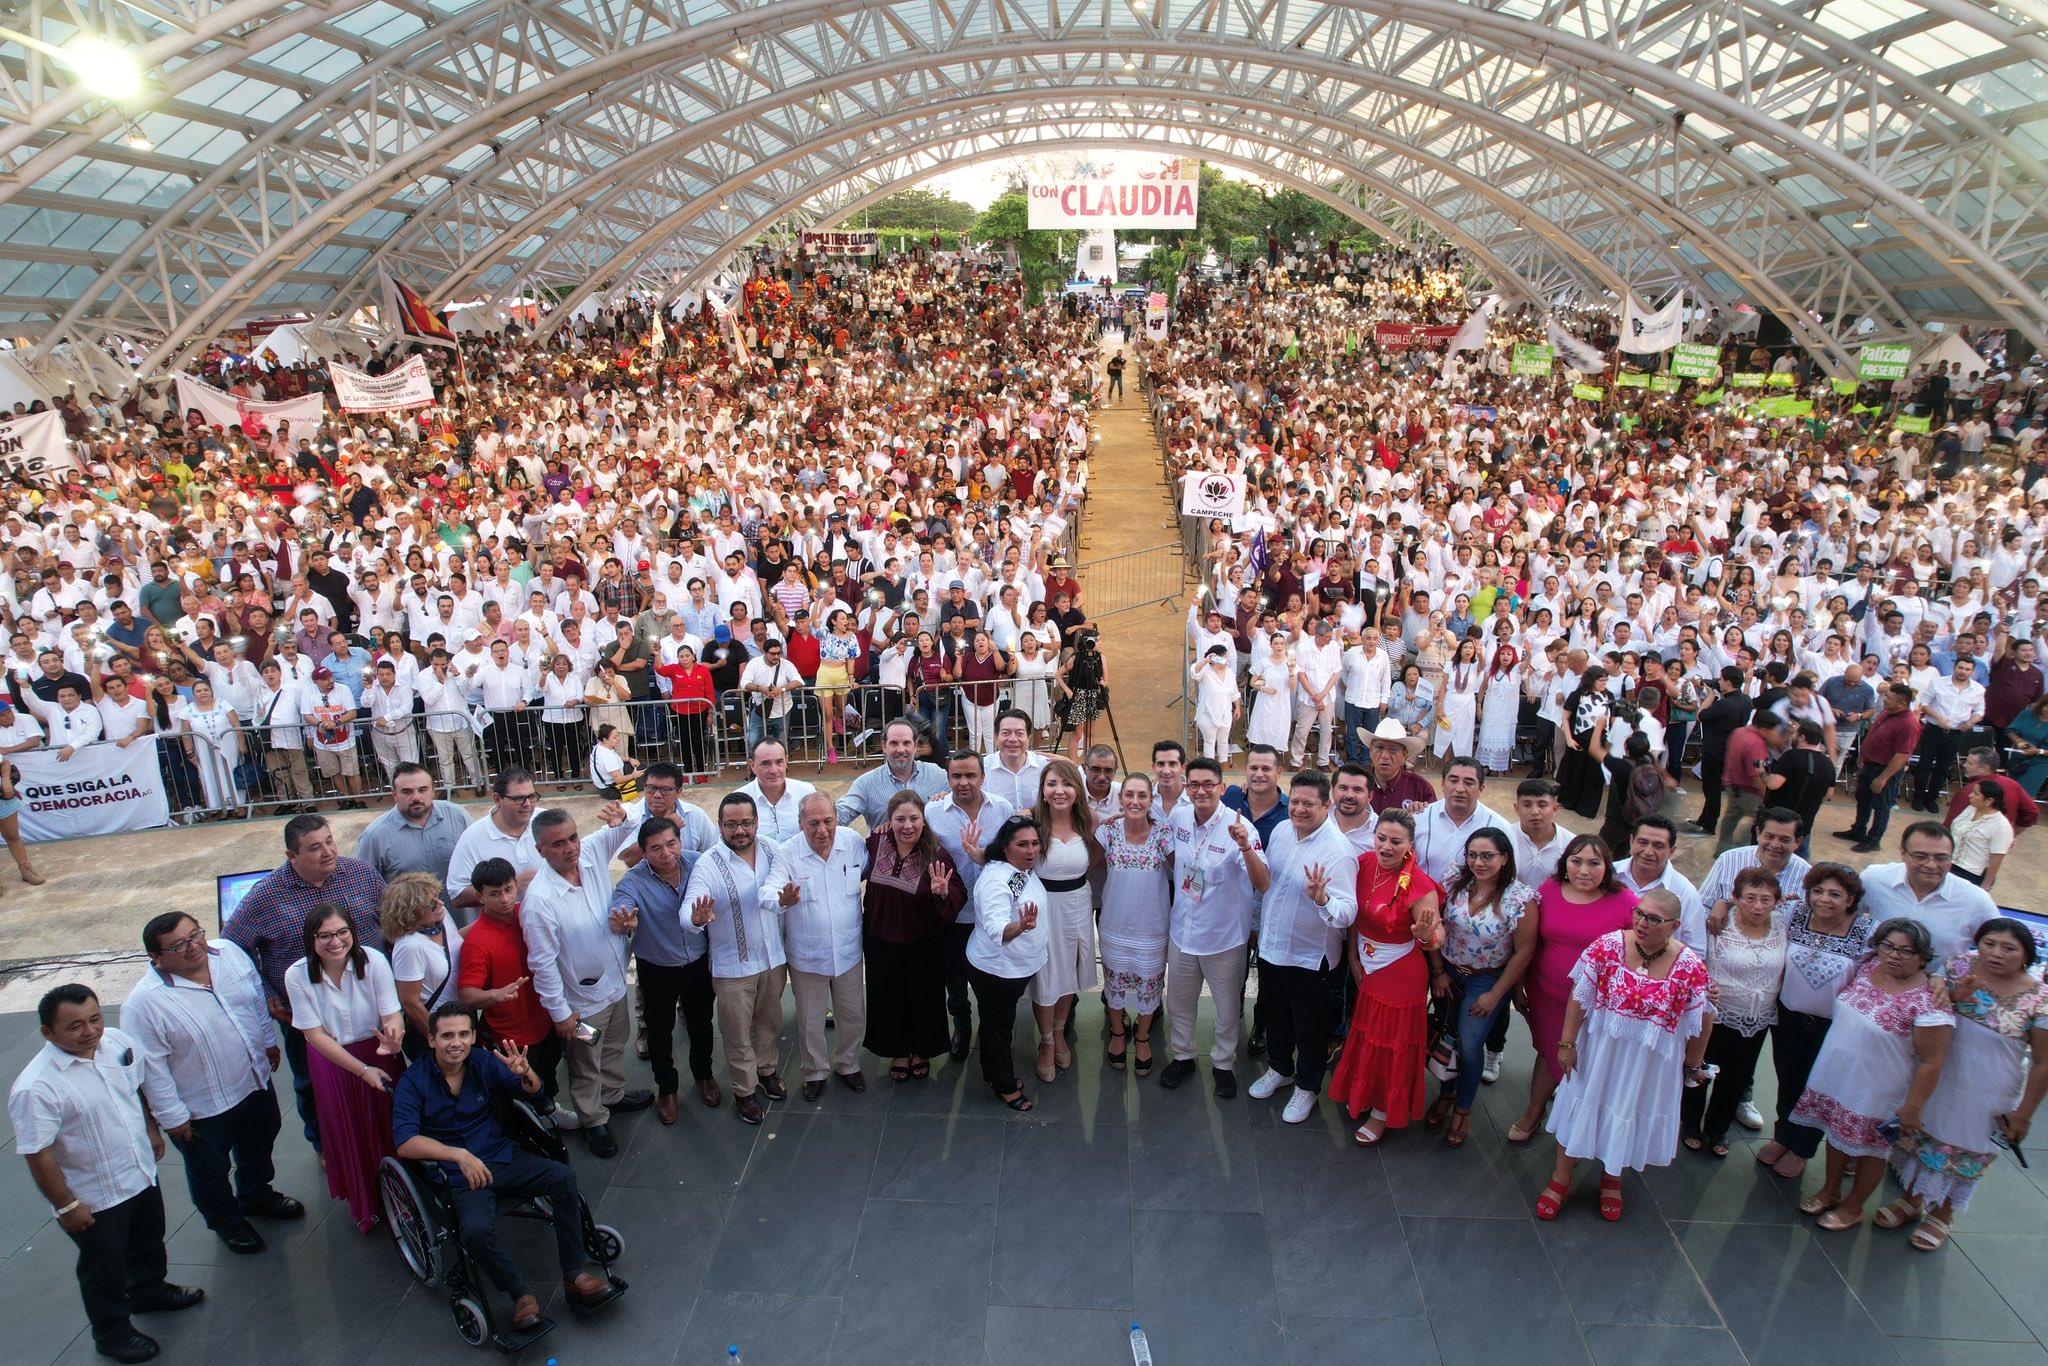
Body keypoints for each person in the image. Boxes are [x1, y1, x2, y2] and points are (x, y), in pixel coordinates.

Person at [392, 1004, 621, 1334]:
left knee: (563, 1178)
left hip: (502, 1156)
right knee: (474, 1232)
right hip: (459, 1176)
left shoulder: (484, 1062)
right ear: (431, 1040)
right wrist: (456, 1155)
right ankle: (520, 1295)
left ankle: (574, 1274)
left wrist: (525, 1072)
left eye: (462, 1034)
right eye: (446, 1036)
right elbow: (405, 1142)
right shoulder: (413, 1082)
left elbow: (534, 1092)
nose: (455, 1042)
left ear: (472, 1036)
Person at [11, 984, 205, 1365]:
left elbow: (132, 1092)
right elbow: (38, 1153)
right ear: (48, 1033)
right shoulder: (36, 1088)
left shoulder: (116, 1043)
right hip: (94, 1196)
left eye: (95, 1018)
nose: (90, 1031)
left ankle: (150, 1291)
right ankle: (112, 1333)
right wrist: (67, 1206)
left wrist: (149, 1128)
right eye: (75, 1026)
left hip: (138, 1174)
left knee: (148, 1241)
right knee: (104, 1269)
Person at [122, 914, 302, 1257]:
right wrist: (171, 1116)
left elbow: (253, 1003)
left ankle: (256, 1195)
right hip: (201, 1105)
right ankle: (227, 1222)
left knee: (260, 1140)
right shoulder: (144, 1003)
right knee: (210, 1169)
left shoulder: (229, 953)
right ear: (156, 958)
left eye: (196, 935)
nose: (194, 947)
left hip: (251, 1080)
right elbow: (151, 1067)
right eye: (179, 945)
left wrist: (267, 1042)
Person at [1534, 889, 1713, 1222]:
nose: (1642, 923)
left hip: (1648, 1063)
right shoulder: (1607, 946)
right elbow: (1579, 995)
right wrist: (1567, 1043)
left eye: (1654, 919)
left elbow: (1704, 1017)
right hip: (1601, 1050)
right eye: (1639, 914)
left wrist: (1693, 1065)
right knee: (1581, 1106)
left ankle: (1611, 1178)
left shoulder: (1690, 967)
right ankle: (1561, 1177)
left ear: (1674, 926)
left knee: (1628, 1111)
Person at [222, 814, 387, 1147]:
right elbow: (231, 948)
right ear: (291, 856)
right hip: (305, 1010)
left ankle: (385, 1131)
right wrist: (266, 991)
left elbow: (390, 921)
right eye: (314, 848)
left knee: (382, 1067)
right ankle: (325, 1144)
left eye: (329, 841)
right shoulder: (264, 897)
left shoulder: (361, 873)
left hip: (369, 1000)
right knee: (311, 1081)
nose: (327, 851)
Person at [1883, 919, 2048, 1252]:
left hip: (1989, 1091)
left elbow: (2044, 1063)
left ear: (2027, 955)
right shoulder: (1960, 965)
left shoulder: (2039, 998)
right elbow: (1932, 1001)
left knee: (1964, 1149)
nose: (1996, 954)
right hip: (1939, 1075)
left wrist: (2023, 1114)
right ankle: (1913, 1199)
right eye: (1989, 944)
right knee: (1921, 1137)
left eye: (2009, 948)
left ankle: (1942, 1214)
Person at [1790, 917, 1954, 1232]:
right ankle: (1831, 1189)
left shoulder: (1930, 1002)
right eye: (1888, 946)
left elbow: (1932, 1061)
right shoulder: (1867, 968)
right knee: (1837, 1136)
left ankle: (1853, 1207)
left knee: (1870, 1150)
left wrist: (1912, 1108)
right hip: (1837, 1077)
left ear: (1923, 956)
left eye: (1907, 951)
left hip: (1879, 1089)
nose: (1894, 955)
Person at [520, 804, 649, 1156]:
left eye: (573, 837)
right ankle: (593, 1120)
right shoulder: (539, 902)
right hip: (579, 1002)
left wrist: (620, 819)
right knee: (584, 1062)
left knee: (613, 1045)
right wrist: (560, 1013)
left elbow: (631, 826)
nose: (570, 848)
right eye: (558, 843)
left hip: (613, 983)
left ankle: (613, 1096)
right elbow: (542, 964)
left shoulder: (590, 851)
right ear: (540, 850)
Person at [1508, 835, 1641, 1144]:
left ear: (1606, 867)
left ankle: (1583, 1122)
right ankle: (1535, 1112)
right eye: (1576, 861)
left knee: (1591, 1061)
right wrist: (1518, 989)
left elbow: (1644, 947)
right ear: (1565, 864)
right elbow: (1528, 944)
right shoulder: (1549, 891)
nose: (1584, 870)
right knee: (1548, 1052)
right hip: (1547, 995)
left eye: (1594, 863)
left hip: (1597, 1005)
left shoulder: (1625, 901)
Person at [1248, 770, 1360, 1124]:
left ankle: (1307, 1086)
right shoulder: (1281, 831)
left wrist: (1323, 898)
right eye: (1294, 801)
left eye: (1308, 804)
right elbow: (1268, 885)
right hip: (1272, 948)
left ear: (1327, 806)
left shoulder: (1339, 851)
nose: (1298, 809)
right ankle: (1279, 1068)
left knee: (1310, 1027)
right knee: (1276, 1015)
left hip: (1310, 958)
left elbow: (1348, 912)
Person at [1325, 809, 1443, 1144]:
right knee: (1367, 1034)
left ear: (1409, 845)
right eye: (1381, 838)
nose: (1386, 847)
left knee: (1392, 1043)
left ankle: (1382, 1112)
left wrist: (1425, 936)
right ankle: (1365, 1095)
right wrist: (1351, 955)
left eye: (1396, 841)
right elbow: (1351, 912)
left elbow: (1437, 937)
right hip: (1367, 963)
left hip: (1401, 971)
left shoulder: (1418, 883)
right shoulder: (1362, 864)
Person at [285, 905, 404, 1233]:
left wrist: (394, 1037)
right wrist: (362, 1070)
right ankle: (367, 1202)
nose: (335, 942)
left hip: (377, 1050)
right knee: (349, 1128)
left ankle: (403, 1194)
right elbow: (314, 1036)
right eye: (324, 936)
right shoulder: (296, 975)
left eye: (342, 933)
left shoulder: (374, 960)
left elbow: (391, 1013)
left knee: (388, 1125)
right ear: (311, 939)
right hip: (333, 1062)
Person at [1753, 863, 1875, 1180]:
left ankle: (1803, 1149)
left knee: (1818, 1087)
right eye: (1817, 891)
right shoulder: (1794, 915)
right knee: (1789, 1080)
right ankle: (1782, 1136)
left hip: (1834, 1028)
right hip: (1789, 1018)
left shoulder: (1867, 931)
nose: (1824, 899)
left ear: (1850, 899)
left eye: (1835, 894)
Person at [1161, 756, 1270, 1097]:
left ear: (1222, 788)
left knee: (1226, 1010)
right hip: (1182, 933)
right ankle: (1183, 1056)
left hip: (1223, 938)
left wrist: (1244, 847)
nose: (1201, 791)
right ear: (1186, 787)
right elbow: (1169, 852)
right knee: (1179, 1003)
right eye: (1194, 784)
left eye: (1209, 784)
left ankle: (1223, 1064)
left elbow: (1263, 882)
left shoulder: (1242, 828)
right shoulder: (1178, 817)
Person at [1426, 827, 1538, 1147]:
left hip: (1486, 978)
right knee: (1448, 1035)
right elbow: (1432, 922)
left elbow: (1524, 952)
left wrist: (1495, 994)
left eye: (1487, 855)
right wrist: (1437, 972)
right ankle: (1447, 1093)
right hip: (1449, 971)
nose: (1478, 862)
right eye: (1472, 855)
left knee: (1471, 1043)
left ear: (1504, 858)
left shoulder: (1520, 898)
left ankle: (1463, 1108)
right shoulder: (1453, 881)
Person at [685, 793, 791, 1125]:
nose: (739, 831)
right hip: (734, 969)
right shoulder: (708, 863)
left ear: (756, 822)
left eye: (746, 823)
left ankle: (766, 1070)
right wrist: (697, 917)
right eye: (731, 824)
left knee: (769, 1022)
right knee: (737, 1032)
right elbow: (687, 914)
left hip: (773, 961)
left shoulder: (773, 849)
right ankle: (744, 1091)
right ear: (720, 826)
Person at [611, 815, 717, 1123]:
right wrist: (623, 921)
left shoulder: (699, 863)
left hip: (697, 962)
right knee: (660, 1031)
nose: (666, 853)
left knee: (701, 1023)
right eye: (655, 848)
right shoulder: (633, 881)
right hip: (657, 967)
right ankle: (667, 1088)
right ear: (643, 853)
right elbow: (619, 908)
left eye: (672, 843)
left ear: (680, 842)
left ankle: (704, 1075)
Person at [767, 794, 871, 1100]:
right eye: (813, 823)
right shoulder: (787, 853)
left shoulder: (852, 842)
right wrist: (780, 900)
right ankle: (814, 1072)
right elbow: (769, 889)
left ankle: (848, 1064)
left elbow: (868, 869)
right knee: (810, 1021)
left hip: (849, 952)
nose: (822, 830)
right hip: (807, 957)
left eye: (828, 821)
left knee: (852, 1015)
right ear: (800, 823)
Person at [453, 858, 572, 1124]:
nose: (505, 899)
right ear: (480, 896)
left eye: (508, 889)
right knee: (519, 1092)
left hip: (545, 1021)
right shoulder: (477, 941)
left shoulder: (529, 914)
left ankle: (551, 1115)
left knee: (548, 1074)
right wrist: (495, 995)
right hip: (510, 1036)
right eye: (494, 894)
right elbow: (467, 995)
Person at [1679, 868, 1788, 1158]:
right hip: (1716, 1013)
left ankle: (1718, 1128)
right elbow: (1698, 957)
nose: (1758, 906)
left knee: (1737, 1076)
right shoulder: (1718, 922)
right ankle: (1690, 1124)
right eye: (1750, 898)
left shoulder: (1781, 923)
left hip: (1757, 1017)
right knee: (1699, 1068)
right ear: (1736, 898)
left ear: (1776, 901)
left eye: (1766, 899)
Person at [858, 789, 965, 1082]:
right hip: (880, 939)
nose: (908, 826)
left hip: (923, 941)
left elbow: (958, 891)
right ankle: (897, 1050)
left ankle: (921, 1050)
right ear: (888, 821)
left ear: (924, 820)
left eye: (914, 818)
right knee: (888, 996)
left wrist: (944, 892)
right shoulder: (875, 844)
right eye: (900, 819)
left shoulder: (936, 854)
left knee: (923, 997)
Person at [965, 815, 1049, 1112]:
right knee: (1000, 1027)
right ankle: (1005, 1086)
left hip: (1011, 966)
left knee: (992, 1021)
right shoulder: (996, 881)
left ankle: (991, 1071)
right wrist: (1022, 927)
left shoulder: (1014, 866)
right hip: (997, 969)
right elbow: (998, 929)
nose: (1031, 851)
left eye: (1035, 844)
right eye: (1022, 844)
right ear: (1006, 846)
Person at [1028, 757, 1102, 1083]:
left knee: (1068, 975)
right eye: (1052, 784)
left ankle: (1059, 1033)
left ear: (1077, 789)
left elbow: (1096, 856)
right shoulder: (1030, 822)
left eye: (1066, 783)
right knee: (1046, 977)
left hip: (1077, 905)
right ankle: (1045, 1043)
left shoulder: (1089, 821)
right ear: (1043, 790)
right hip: (1044, 908)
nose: (1060, 791)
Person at [1099, 772, 1173, 1075]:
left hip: (1152, 927)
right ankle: (1118, 1033)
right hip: (1115, 924)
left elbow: (1186, 869)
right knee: (1114, 983)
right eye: (1129, 794)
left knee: (1149, 985)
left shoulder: (1164, 834)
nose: (1135, 801)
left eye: (1142, 795)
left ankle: (1142, 1037)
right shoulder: (1108, 832)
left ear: (1151, 800)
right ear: (1120, 798)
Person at [1858, 821, 1997, 961]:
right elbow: (1843, 920)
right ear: (1902, 853)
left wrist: (1951, 972)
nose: (1931, 865)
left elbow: (2000, 947)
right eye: (1920, 856)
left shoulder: (1976, 900)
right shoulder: (1874, 879)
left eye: (1941, 858)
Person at [381, 872, 463, 1060]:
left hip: (460, 1017)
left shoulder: (441, 918)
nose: (440, 904)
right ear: (411, 911)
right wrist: (439, 1040)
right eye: (432, 904)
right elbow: (410, 1003)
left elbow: (455, 943)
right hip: (437, 1025)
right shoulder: (409, 946)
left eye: (439, 897)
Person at [446, 768, 543, 921]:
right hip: (502, 936)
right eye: (518, 799)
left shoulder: (546, 821)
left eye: (531, 796)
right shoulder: (472, 838)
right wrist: (509, 887)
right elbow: (457, 895)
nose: (527, 804)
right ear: (497, 800)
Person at [1834, 683, 1921, 852]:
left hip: (1884, 770)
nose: (1884, 699)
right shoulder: (1887, 712)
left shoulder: (1908, 724)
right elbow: (1873, 734)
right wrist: (1863, 755)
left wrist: (1883, 778)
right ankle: (1858, 830)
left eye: (1889, 697)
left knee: (1881, 806)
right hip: (1870, 765)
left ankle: (1874, 840)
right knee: (1863, 799)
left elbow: (1901, 755)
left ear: (1902, 703)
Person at [354, 761, 468, 885]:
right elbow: (362, 885)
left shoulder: (457, 816)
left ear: (433, 791)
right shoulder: (374, 836)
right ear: (395, 794)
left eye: (422, 790)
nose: (416, 798)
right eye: (407, 792)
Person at [1412, 756, 1509, 884]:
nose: (1459, 789)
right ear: (1442, 783)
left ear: (1481, 789)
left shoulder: (1499, 826)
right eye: (1453, 781)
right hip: (1423, 901)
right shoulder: (1419, 819)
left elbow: (1509, 876)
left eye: (1469, 783)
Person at [836, 717, 947, 830]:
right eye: (894, 743)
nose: (900, 749)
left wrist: (949, 799)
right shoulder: (866, 784)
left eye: (906, 743)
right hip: (884, 847)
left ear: (915, 745)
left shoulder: (937, 775)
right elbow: (840, 815)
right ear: (884, 746)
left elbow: (963, 803)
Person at [1947, 779, 2014, 888]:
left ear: (1989, 800)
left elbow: (1996, 858)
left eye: (1975, 794)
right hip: (1949, 864)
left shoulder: (2001, 825)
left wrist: (1986, 885)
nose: (1970, 795)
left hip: (1970, 874)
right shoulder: (1970, 809)